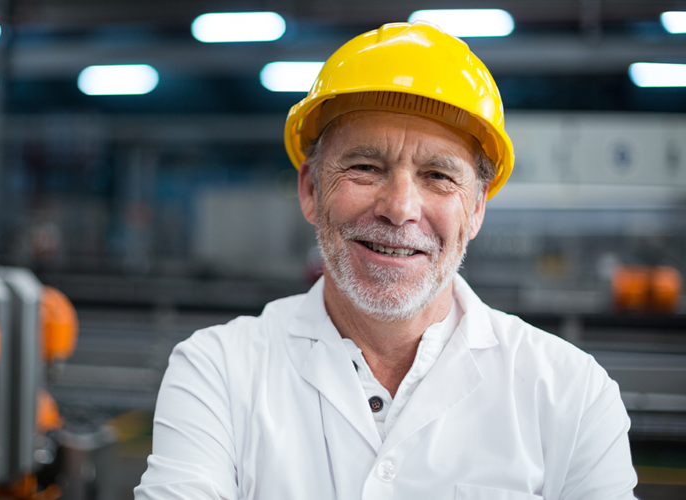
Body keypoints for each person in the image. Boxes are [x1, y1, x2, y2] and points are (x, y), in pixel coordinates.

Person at [135, 22, 637, 500]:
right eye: (365, 167)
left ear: (477, 208)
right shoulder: (218, 372)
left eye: (438, 175)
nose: (399, 208)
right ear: (311, 189)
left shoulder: (572, 394)